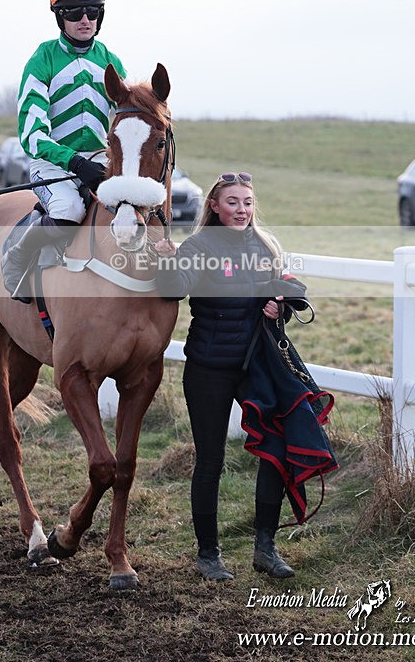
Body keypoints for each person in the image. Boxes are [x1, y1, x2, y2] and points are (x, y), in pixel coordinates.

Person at [155, 172, 299, 581]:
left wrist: (280, 307)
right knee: (211, 460)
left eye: (248, 202)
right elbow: (172, 291)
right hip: (208, 369)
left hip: (255, 367)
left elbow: (279, 296)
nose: (242, 210)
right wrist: (167, 262)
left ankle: (265, 548)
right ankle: (208, 555)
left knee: (276, 449)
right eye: (233, 202)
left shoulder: (266, 246)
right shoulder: (199, 246)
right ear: (215, 206)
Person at [2, 0, 127, 303]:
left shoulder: (111, 62)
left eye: (93, 11)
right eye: (74, 13)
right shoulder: (42, 59)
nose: (85, 20)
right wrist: (73, 162)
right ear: (60, 16)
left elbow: (127, 120)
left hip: (98, 164)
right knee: (70, 210)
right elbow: (32, 135)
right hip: (53, 166)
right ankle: (17, 254)